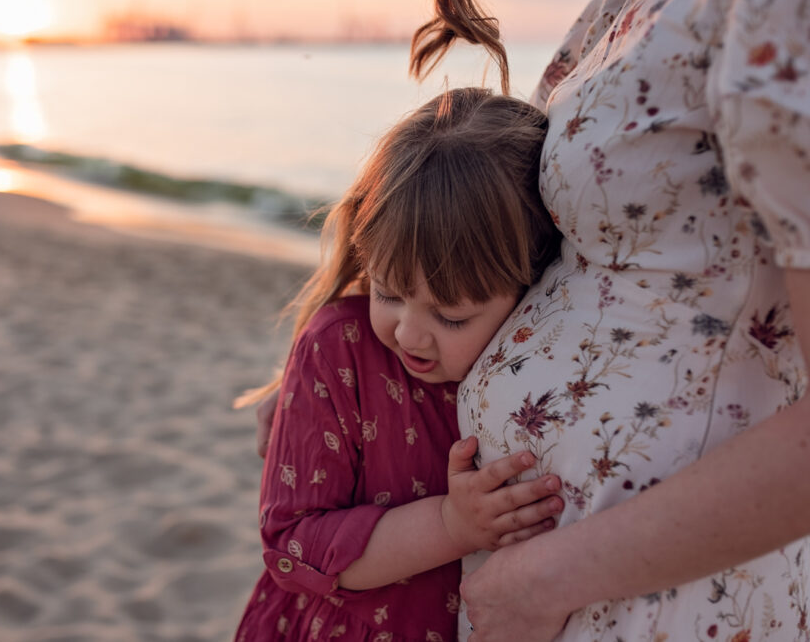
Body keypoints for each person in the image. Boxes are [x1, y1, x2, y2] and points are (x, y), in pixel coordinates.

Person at [403, 0, 810, 640]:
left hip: (663, 600)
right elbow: (502, 241)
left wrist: (547, 578)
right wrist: (335, 357)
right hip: (556, 584)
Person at [235, 87, 565, 641]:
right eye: (387, 291)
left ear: (531, 290)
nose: (407, 333)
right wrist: (451, 526)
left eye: (451, 316)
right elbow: (291, 543)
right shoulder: (338, 350)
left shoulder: (533, 347)